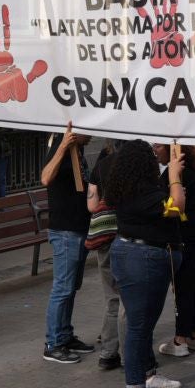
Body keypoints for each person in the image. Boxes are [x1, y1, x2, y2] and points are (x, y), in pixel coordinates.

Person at [103, 139, 186, 388]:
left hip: (140, 255)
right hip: (140, 258)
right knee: (138, 325)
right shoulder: (142, 194)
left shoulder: (133, 188)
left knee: (145, 322)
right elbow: (177, 206)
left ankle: (148, 374)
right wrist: (174, 176)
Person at [40, 125, 95, 364]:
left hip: (79, 227)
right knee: (63, 288)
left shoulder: (79, 150)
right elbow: (45, 178)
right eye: (87, 130)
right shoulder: (59, 148)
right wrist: (63, 145)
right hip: (65, 231)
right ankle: (53, 343)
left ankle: (64, 335)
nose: (91, 134)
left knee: (71, 287)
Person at [160, 143, 195, 356]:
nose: (155, 149)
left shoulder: (175, 173)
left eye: (158, 145)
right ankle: (194, 335)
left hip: (187, 233)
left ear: (172, 149)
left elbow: (169, 206)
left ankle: (180, 340)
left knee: (183, 285)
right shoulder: (194, 167)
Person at [86, 141, 125, 370]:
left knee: (112, 297)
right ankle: (132, 355)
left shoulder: (101, 164)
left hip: (106, 237)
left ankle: (108, 353)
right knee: (130, 300)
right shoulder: (138, 162)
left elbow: (92, 206)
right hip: (129, 236)